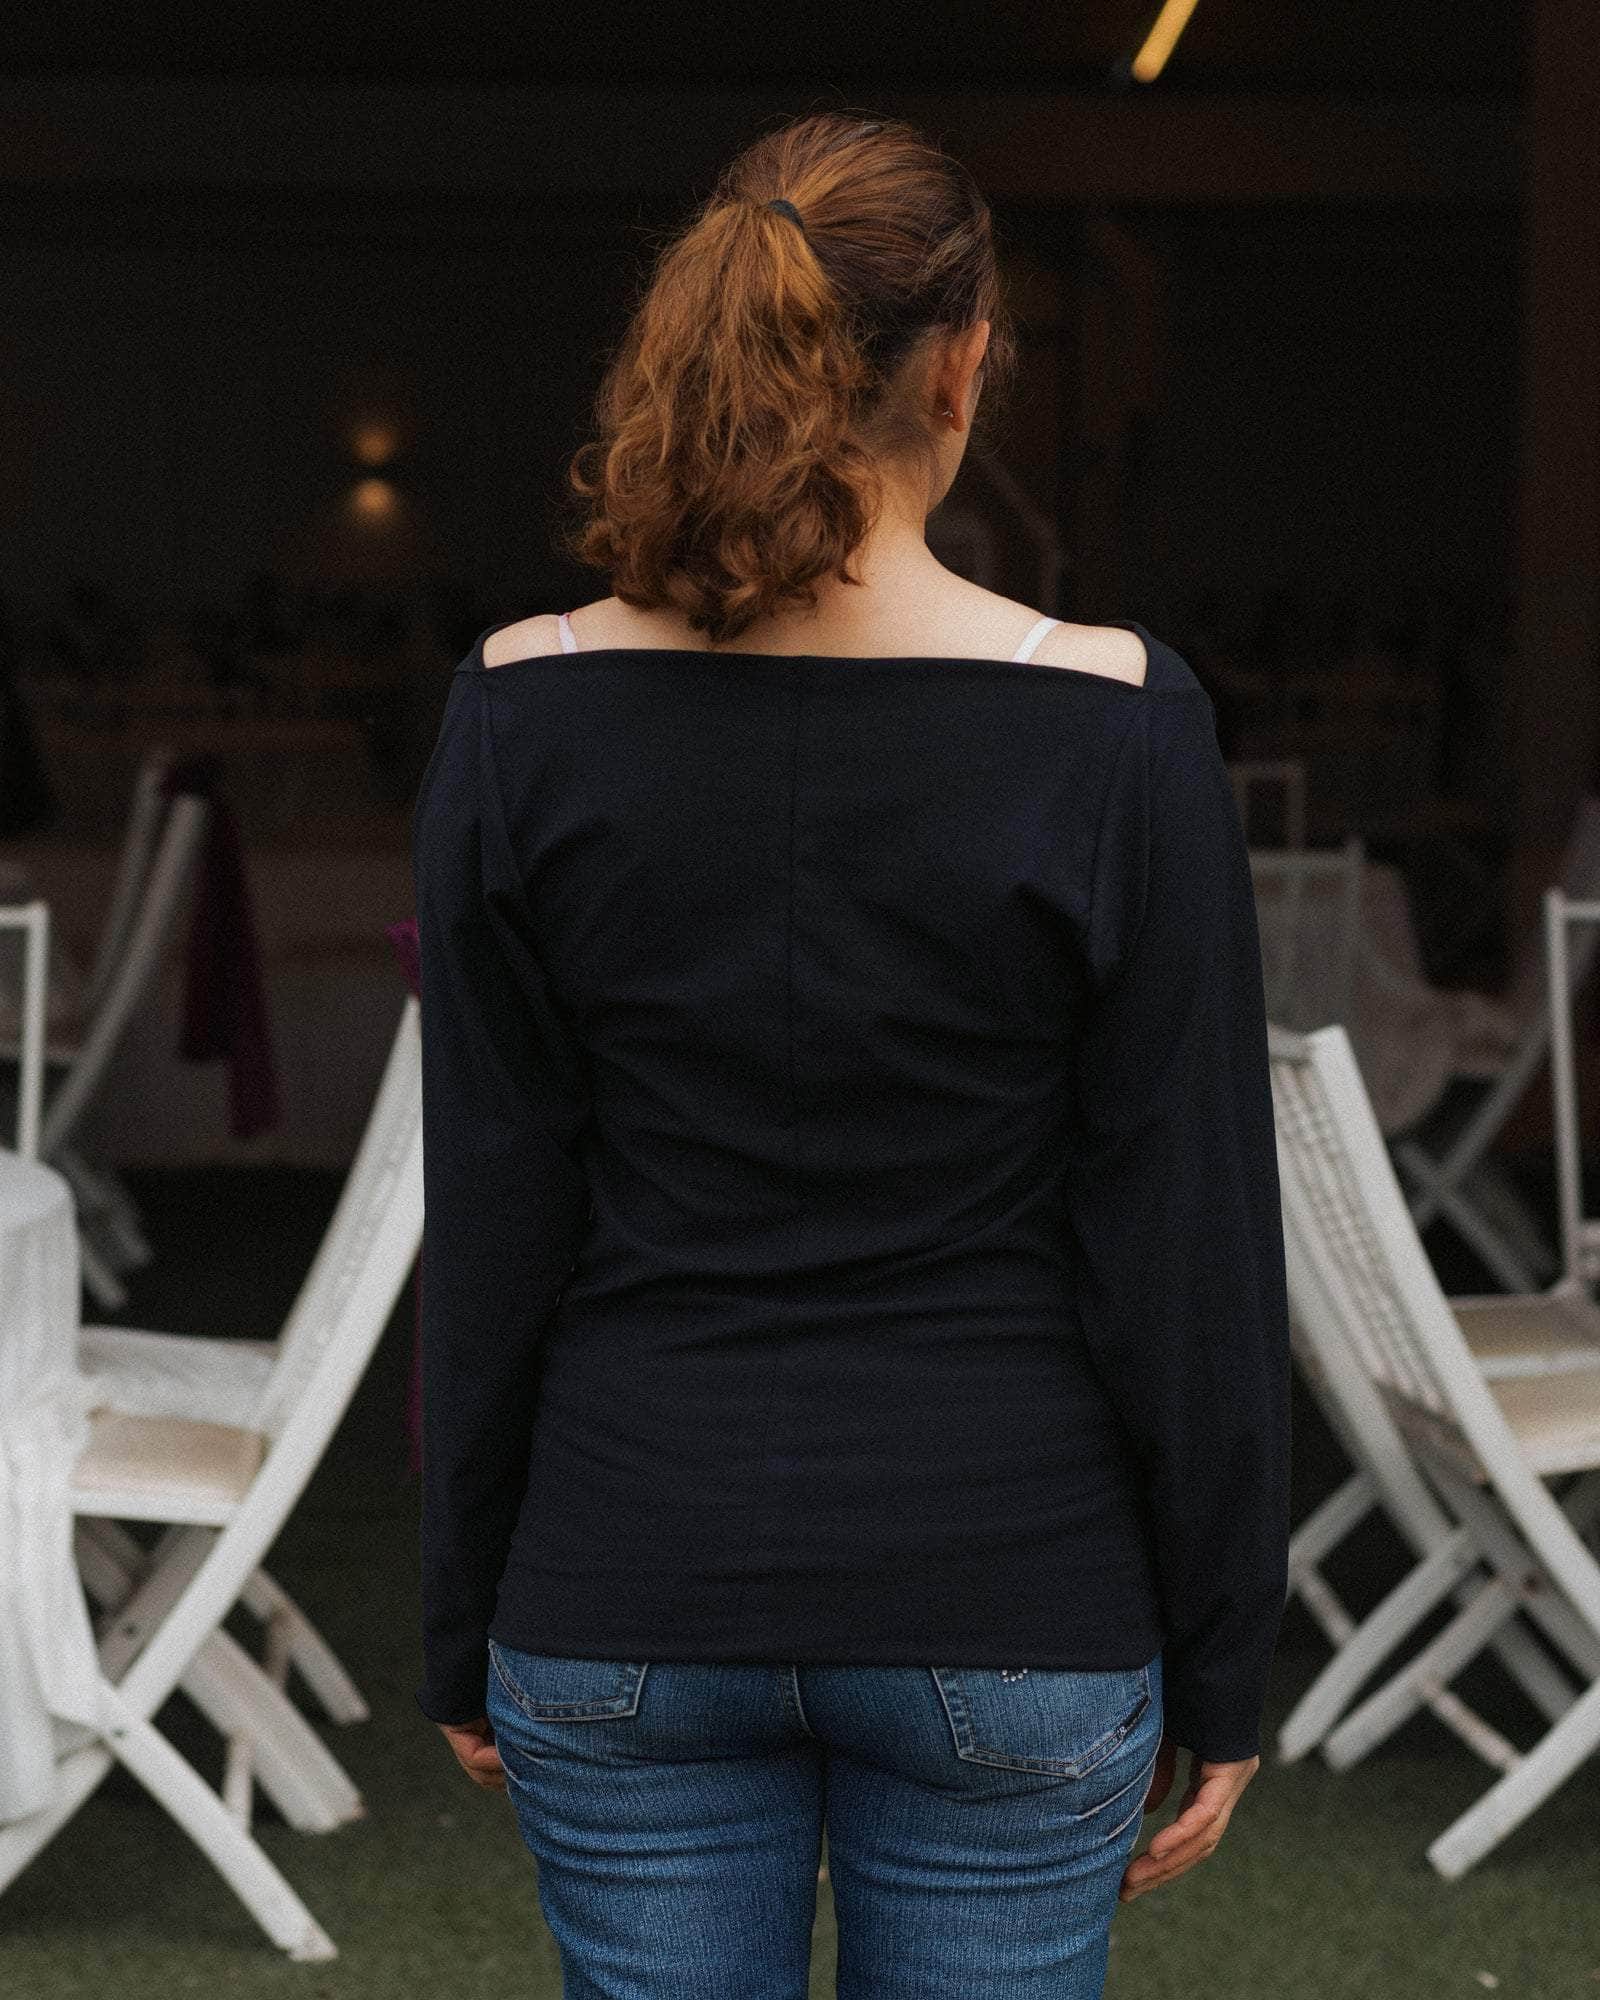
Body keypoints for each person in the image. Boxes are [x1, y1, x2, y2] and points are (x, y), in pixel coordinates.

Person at [411, 108, 1291, 2000]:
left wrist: (461, 1604)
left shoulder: (514, 709)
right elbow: (1189, 1243)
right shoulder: (1122, 724)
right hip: (1015, 1587)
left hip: (623, 1570)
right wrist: (1228, 1656)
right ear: (965, 366)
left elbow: (490, 1211)